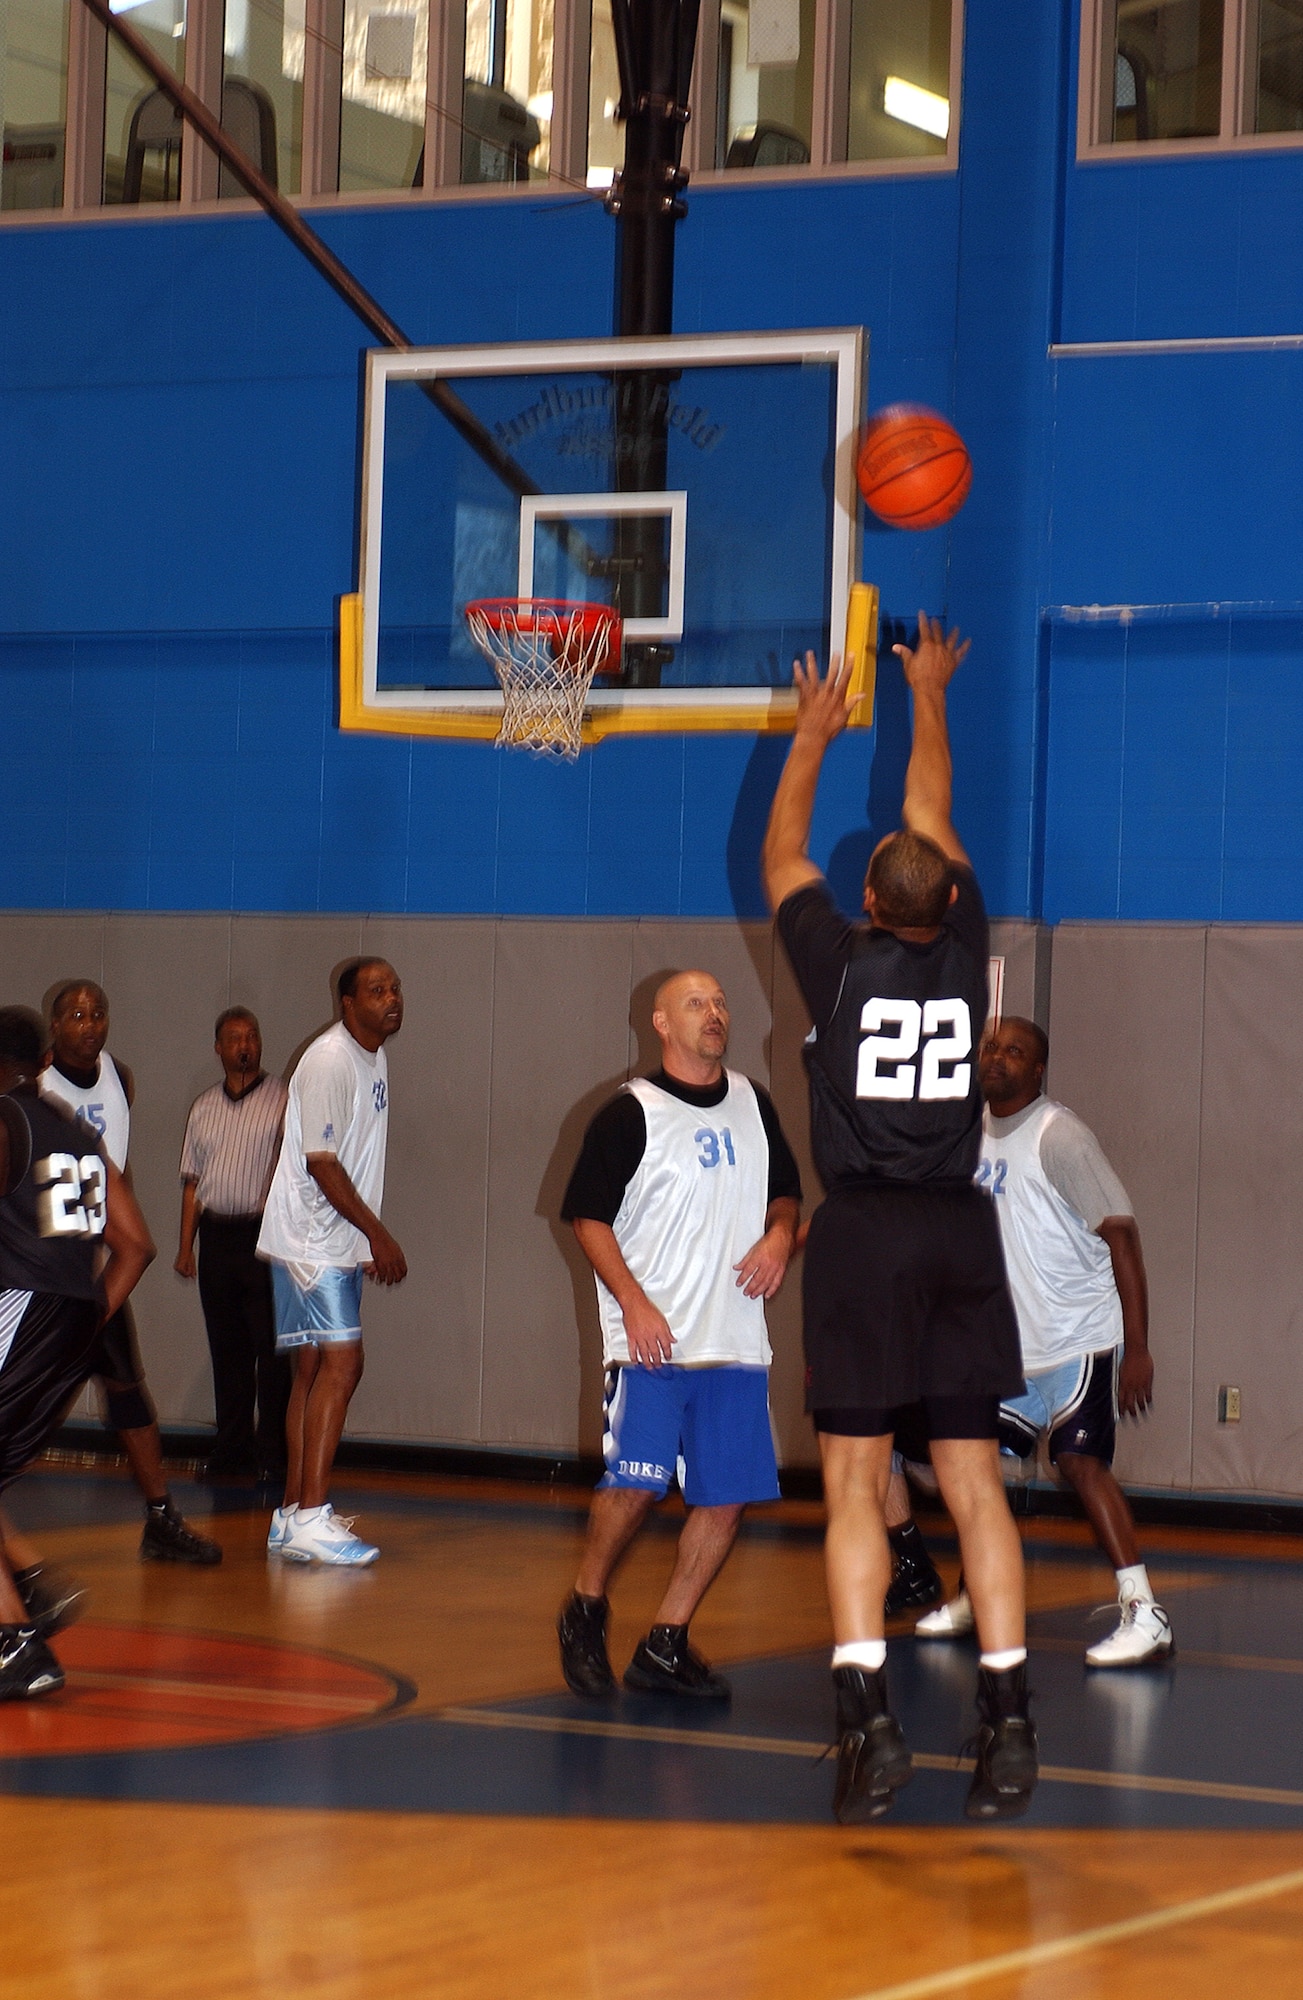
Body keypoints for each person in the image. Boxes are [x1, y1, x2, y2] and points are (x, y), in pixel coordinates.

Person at [761, 615, 1037, 1824]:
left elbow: (780, 856)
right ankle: (1010, 1725)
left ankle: (869, 1723)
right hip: (958, 1227)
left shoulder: (833, 957)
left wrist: (811, 737)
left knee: (856, 1478)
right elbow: (931, 809)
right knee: (974, 1483)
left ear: (868, 898)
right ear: (944, 894)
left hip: (865, 1234)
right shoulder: (972, 942)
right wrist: (928, 695)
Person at [557, 970, 801, 1701]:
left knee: (723, 1498)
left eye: (721, 1002)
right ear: (660, 1023)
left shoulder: (754, 1104)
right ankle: (586, 1606)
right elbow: (587, 1217)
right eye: (696, 1003)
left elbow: (784, 1191)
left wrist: (781, 1236)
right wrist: (631, 1301)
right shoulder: (630, 1112)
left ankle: (665, 1641)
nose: (714, 1013)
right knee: (633, 1490)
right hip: (652, 1346)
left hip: (733, 1342)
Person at [916, 1016, 1172, 1666]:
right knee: (969, 1468)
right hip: (1006, 1347)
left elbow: (1121, 1235)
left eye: (1015, 1051)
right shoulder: (965, 1138)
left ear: (1036, 1071)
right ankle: (979, 1591)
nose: (998, 1057)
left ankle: (1145, 1611)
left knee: (1081, 1464)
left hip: (1075, 1335)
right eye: (991, 1047)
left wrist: (1136, 1346)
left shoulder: (1060, 1137)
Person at [0, 1006, 154, 1697]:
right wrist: (88, 1322)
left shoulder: (7, 1119)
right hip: (71, 1317)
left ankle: (17, 1637)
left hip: (22, 1305)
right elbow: (137, 1244)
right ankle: (28, 1602)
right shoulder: (77, 1131)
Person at [40, 980, 221, 1564]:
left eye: (98, 1013)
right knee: (26, 1401)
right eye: (76, 1015)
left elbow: (119, 1169)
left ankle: (161, 1518)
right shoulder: (36, 1088)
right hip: (48, 1273)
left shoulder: (121, 1076)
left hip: (100, 1268)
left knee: (128, 1392)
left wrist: (122, 1237)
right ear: (54, 1026)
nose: (90, 1024)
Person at [257, 958, 406, 1565]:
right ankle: (314, 1515)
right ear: (347, 1003)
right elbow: (322, 1163)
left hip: (329, 1241)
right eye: (376, 990)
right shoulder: (328, 1060)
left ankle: (292, 1515)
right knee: (345, 1366)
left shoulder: (374, 1057)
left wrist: (359, 1240)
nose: (391, 998)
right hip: (311, 1241)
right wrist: (376, 1235)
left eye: (395, 988)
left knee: (314, 1370)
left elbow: (355, 1158)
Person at [175, 1008, 290, 1478]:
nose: (245, 1044)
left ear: (260, 1044)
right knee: (227, 1351)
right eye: (234, 1038)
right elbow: (192, 1184)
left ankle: (275, 1455)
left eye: (252, 1036)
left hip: (265, 1236)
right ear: (219, 1049)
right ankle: (232, 1453)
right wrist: (187, 1247)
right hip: (217, 1238)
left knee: (273, 1353)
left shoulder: (283, 1099)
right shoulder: (203, 1106)